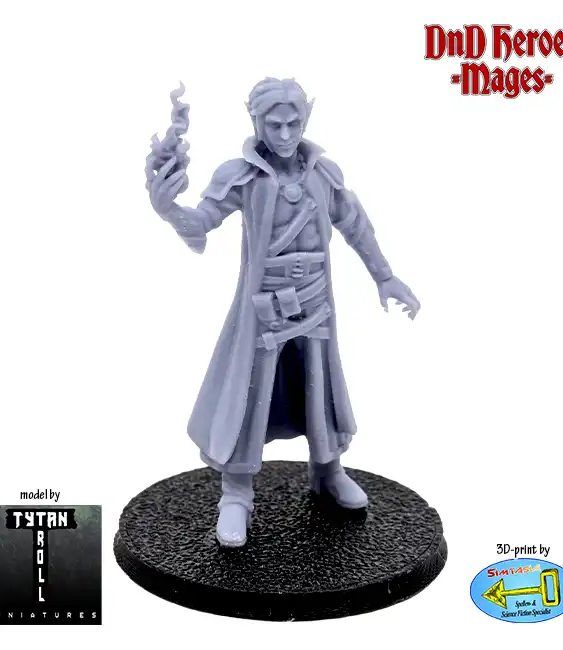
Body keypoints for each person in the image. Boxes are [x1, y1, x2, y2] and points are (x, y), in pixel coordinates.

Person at [146, 78, 420, 547]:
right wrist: (169, 209)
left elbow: (356, 224)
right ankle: (237, 492)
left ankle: (327, 470)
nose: (286, 134)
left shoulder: (323, 174)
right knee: (249, 394)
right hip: (262, 310)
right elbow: (201, 221)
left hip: (315, 304)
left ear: (306, 119)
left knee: (321, 389)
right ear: (256, 122)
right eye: (275, 125)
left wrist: (385, 276)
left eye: (294, 123)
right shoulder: (243, 177)